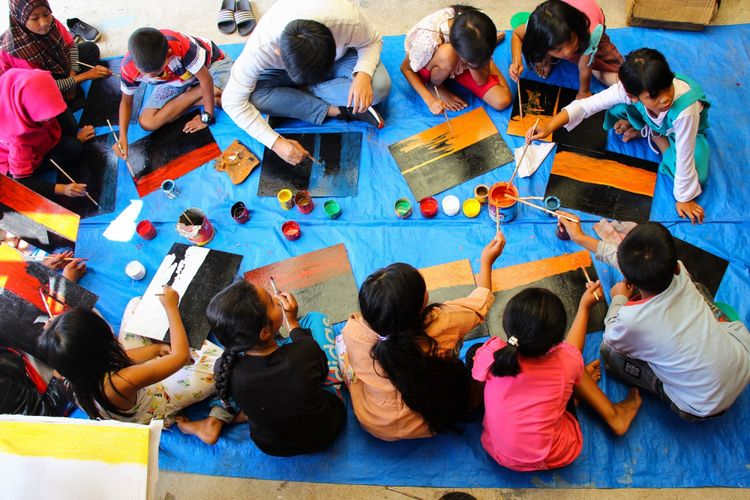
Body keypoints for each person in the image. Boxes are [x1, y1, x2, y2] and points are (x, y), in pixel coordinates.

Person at [558, 216, 750, 421]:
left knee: (609, 352)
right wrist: (580, 238)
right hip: (743, 363)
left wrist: (619, 297)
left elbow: (612, 334)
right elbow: (629, 261)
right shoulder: (680, 271)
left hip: (700, 406)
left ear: (630, 280)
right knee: (699, 290)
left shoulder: (632, 320)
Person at [338, 234, 505, 441]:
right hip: (433, 420)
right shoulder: (442, 321)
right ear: (421, 306)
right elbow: (479, 306)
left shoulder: (353, 332)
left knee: (343, 351)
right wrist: (486, 261)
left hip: (376, 423)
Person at [528, 49, 710, 223]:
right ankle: (650, 130)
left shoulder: (685, 110)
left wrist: (683, 198)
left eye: (667, 87)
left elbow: (685, 155)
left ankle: (655, 136)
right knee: (616, 107)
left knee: (696, 177)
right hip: (655, 119)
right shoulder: (628, 90)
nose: (664, 99)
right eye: (653, 96)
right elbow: (586, 105)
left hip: (683, 132)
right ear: (633, 96)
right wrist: (549, 126)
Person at [471, 286, 641, 471]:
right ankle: (615, 416)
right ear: (556, 342)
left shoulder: (490, 352)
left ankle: (573, 395)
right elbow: (573, 351)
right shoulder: (565, 361)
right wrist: (584, 307)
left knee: (565, 372)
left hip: (498, 451)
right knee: (573, 368)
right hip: (549, 454)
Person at [176, 281, 346, 454]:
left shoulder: (225, 367)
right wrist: (293, 323)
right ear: (265, 332)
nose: (276, 299)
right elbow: (321, 371)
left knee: (231, 386)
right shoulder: (303, 352)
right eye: (272, 303)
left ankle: (221, 417)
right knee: (316, 319)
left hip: (272, 445)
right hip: (325, 431)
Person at [222, 0, 392, 166]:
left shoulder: (346, 21)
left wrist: (363, 73)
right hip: (281, 73)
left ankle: (291, 99)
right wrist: (276, 143)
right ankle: (337, 111)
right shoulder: (260, 50)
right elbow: (231, 102)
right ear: (279, 53)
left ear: (333, 42)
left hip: (340, 62)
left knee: (379, 88)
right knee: (254, 97)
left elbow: (373, 41)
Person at [38, 286, 220, 424]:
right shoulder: (118, 382)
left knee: (136, 305)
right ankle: (168, 415)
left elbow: (116, 358)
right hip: (155, 400)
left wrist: (156, 350)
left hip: (121, 382)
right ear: (102, 343)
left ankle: (160, 347)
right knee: (218, 362)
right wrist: (171, 308)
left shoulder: (68, 369)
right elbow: (179, 358)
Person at [112, 28, 234, 161]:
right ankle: (201, 93)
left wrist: (207, 117)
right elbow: (126, 102)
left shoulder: (181, 46)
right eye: (147, 75)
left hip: (212, 68)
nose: (152, 76)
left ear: (168, 53)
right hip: (174, 81)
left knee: (233, 101)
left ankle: (204, 93)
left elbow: (206, 79)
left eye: (158, 72)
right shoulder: (128, 67)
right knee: (147, 122)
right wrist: (122, 136)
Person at [0, 0, 110, 116]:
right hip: (35, 89)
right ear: (20, 19)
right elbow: (42, 86)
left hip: (55, 71)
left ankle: (69, 91)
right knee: (54, 113)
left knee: (90, 49)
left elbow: (71, 46)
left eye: (46, 14)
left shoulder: (52, 23)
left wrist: (72, 76)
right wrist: (85, 76)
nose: (44, 23)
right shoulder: (17, 52)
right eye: (35, 18)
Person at [401, 5, 511, 114]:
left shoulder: (480, 25)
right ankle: (434, 86)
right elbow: (406, 69)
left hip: (468, 55)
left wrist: (478, 61)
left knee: (502, 100)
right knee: (447, 54)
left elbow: (481, 80)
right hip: (434, 63)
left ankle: (480, 56)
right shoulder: (428, 41)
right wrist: (429, 100)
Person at [0, 68, 92, 200]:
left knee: (68, 124)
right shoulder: (19, 141)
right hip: (12, 162)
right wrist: (63, 189)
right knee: (74, 147)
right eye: (46, 118)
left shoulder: (18, 81)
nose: (51, 120)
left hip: (36, 135)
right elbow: (21, 182)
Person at [509, 0, 621, 99]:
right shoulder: (537, 27)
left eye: (571, 40)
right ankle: (547, 58)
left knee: (610, 68)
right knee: (538, 49)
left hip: (587, 25)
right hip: (564, 16)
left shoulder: (591, 33)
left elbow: (585, 68)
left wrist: (584, 91)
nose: (568, 52)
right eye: (557, 49)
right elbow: (517, 35)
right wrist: (517, 62)